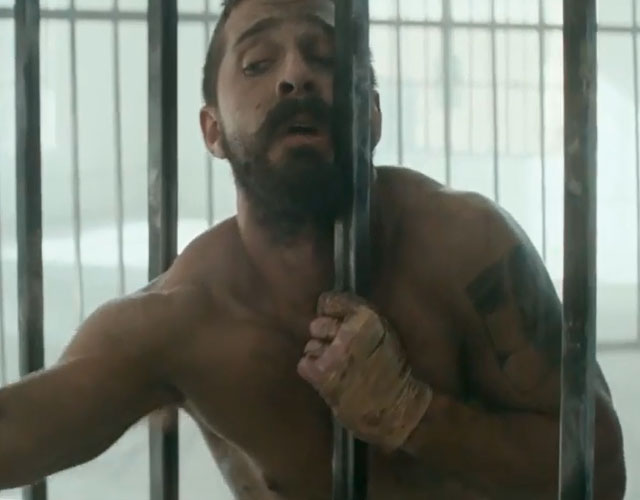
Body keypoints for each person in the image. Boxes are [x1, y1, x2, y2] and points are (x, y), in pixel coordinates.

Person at [0, 0, 627, 498]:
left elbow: (602, 472)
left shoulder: (467, 245)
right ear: (212, 130)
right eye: (257, 64)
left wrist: (414, 414)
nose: (295, 75)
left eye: (325, 57)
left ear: (372, 115)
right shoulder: (180, 321)